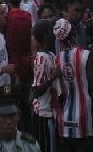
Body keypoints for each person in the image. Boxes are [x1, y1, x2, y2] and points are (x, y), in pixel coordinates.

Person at [53, 18, 93, 152]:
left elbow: (58, 91)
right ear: (74, 34)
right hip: (84, 119)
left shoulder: (57, 60)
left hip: (65, 121)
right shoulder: (86, 55)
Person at [5, 0, 34, 133]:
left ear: (9, 0)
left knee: (16, 103)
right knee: (26, 104)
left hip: (14, 68)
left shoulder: (8, 18)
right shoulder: (27, 16)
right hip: (27, 64)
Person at [0, 86, 41, 152]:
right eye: (3, 116)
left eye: (11, 116)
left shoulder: (30, 146)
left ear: (18, 116)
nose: (8, 121)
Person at [31, 19, 59, 152]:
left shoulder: (51, 54)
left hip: (51, 112)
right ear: (46, 34)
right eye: (51, 31)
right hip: (43, 113)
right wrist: (53, 77)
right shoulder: (41, 58)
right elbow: (36, 90)